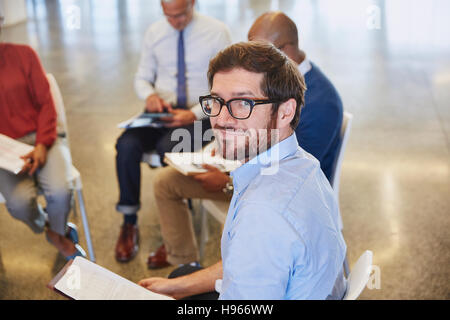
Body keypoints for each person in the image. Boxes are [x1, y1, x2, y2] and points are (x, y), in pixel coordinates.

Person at [139, 41, 347, 300]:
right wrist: (178, 289)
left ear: (285, 112)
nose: (222, 120)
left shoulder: (262, 214)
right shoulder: (302, 163)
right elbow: (249, 266)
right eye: (216, 101)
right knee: (179, 277)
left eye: (243, 103)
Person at [114, 0, 232, 262]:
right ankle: (129, 221)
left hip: (202, 114)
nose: (175, 21)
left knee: (170, 147)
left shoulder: (217, 32)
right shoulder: (155, 32)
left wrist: (193, 114)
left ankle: (178, 231)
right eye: (168, 16)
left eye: (180, 14)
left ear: (193, 3)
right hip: (164, 111)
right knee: (126, 146)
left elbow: (226, 88)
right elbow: (142, 77)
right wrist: (150, 95)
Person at [0, 40, 86, 260]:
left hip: (42, 135)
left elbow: (46, 102)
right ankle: (47, 224)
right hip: (5, 150)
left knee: (60, 190)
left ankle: (57, 234)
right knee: (19, 203)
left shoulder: (24, 54)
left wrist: (42, 143)